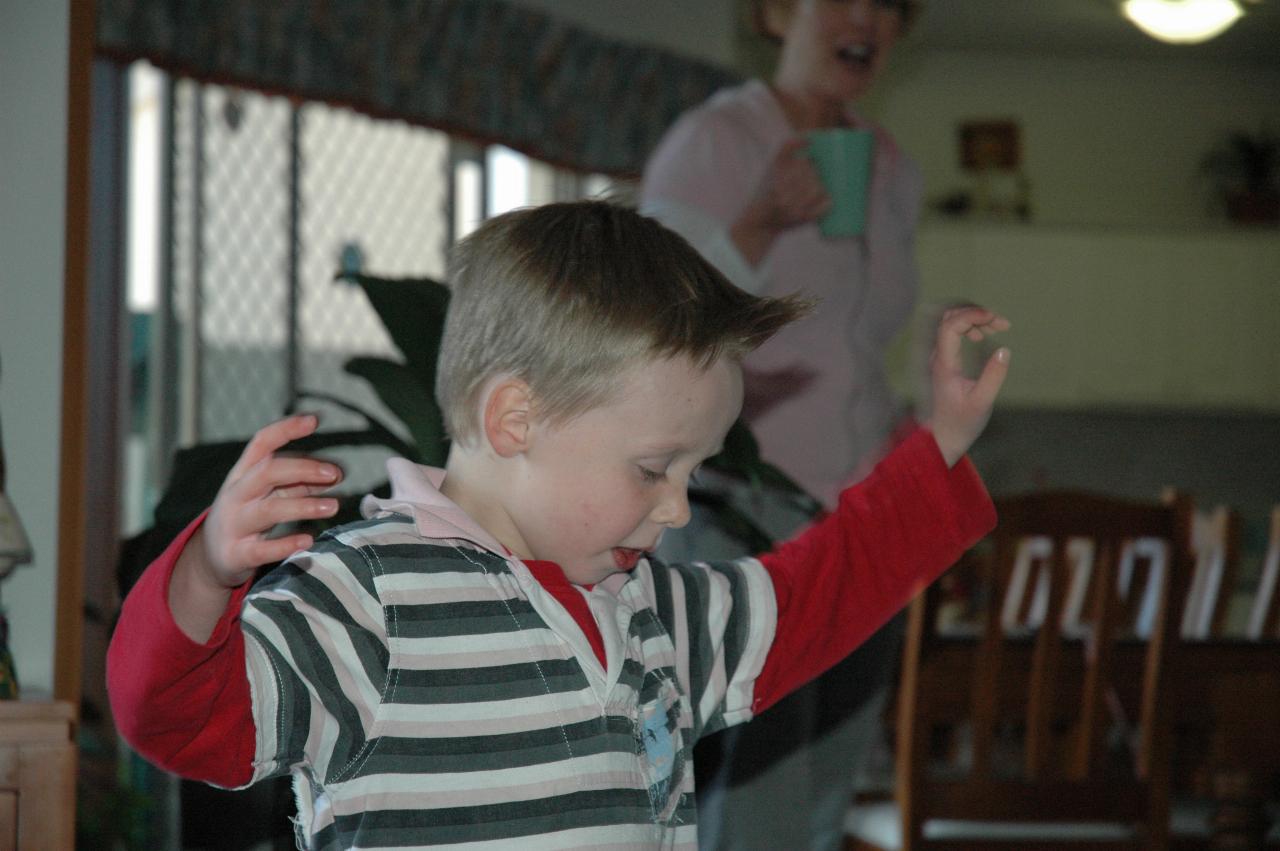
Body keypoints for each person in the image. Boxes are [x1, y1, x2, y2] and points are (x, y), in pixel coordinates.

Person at [108, 201, 1009, 850]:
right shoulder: (368, 599)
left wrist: (941, 446)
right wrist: (206, 578)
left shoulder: (661, 613)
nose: (679, 507)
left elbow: (822, 586)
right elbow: (182, 719)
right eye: (655, 468)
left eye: (693, 471)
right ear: (516, 420)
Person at [639, 1, 924, 846]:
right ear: (773, 13)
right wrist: (759, 220)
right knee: (756, 773)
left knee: (835, 764)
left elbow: (856, 347)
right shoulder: (717, 141)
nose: (865, 17)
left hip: (864, 507)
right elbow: (652, 327)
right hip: (744, 496)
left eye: (887, 3)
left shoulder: (892, 166)